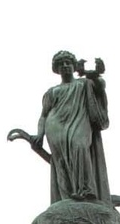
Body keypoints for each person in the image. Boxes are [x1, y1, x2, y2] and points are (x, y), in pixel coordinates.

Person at [32, 50, 111, 205]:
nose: (65, 66)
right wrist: (40, 134)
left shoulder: (83, 84)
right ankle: (67, 196)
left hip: (80, 122)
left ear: (74, 66)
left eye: (68, 62)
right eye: (61, 64)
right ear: (56, 69)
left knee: (79, 147)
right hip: (55, 127)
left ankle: (86, 191)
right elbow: (44, 115)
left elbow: (100, 86)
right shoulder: (52, 92)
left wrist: (95, 74)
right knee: (61, 160)